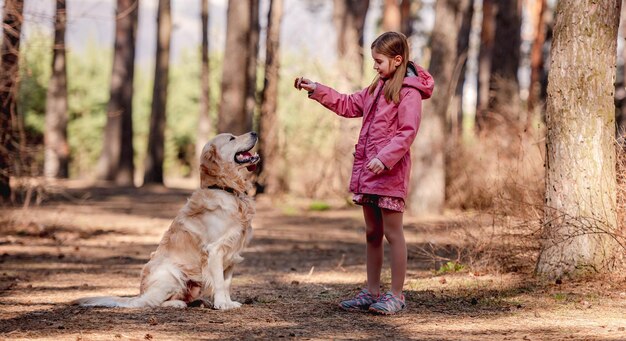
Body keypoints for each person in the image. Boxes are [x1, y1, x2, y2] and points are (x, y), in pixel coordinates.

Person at [294, 31, 434, 315]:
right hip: (368, 172)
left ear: (397, 60)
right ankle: (371, 292)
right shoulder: (375, 89)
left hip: (390, 172)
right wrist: (317, 89)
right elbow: (347, 104)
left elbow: (407, 133)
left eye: (379, 61)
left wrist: (384, 159)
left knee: (393, 234)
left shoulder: (409, 92)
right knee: (372, 233)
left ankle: (396, 295)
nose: (375, 66)